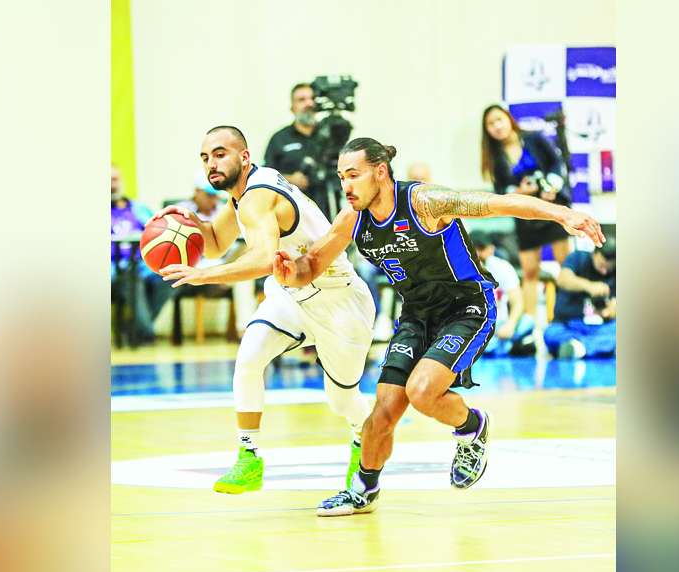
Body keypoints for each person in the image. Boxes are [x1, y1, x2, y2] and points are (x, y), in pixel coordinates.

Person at [272, 137, 604, 516]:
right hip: (416, 314)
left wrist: (562, 213)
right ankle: (363, 490)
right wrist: (289, 272)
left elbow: (499, 203)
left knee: (422, 391)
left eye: (353, 175)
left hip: (467, 308)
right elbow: (312, 264)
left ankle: (472, 426)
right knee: (382, 412)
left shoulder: (424, 202)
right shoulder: (352, 218)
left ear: (380, 172)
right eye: (341, 176)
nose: (345, 186)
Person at [153, 126, 376, 493]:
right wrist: (188, 224)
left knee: (341, 400)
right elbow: (214, 244)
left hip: (338, 298)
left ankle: (363, 440)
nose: (212, 163)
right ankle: (248, 457)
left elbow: (260, 259)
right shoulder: (242, 194)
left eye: (220, 153)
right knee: (249, 358)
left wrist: (202, 276)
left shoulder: (258, 196)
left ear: (244, 157)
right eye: (206, 157)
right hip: (291, 294)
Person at [480, 104, 572, 325]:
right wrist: (519, 192)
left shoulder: (534, 138)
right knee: (530, 271)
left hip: (551, 207)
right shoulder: (494, 156)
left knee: (566, 265)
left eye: (499, 120)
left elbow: (557, 163)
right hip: (524, 215)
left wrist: (552, 185)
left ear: (509, 119)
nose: (496, 127)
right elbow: (500, 190)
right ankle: (529, 325)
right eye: (490, 124)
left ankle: (564, 317)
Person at [111, 165, 172, 343]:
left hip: (144, 265)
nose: (112, 185)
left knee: (172, 276)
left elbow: (160, 231)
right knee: (131, 278)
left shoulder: (138, 209)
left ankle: (135, 326)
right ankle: (145, 332)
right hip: (116, 269)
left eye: (115, 180)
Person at [264, 83, 331, 218]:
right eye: (302, 100)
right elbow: (265, 176)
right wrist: (289, 179)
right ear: (292, 108)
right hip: (293, 215)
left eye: (312, 98)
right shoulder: (279, 138)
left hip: (329, 210)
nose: (309, 103)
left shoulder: (330, 136)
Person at [543, 237, 617, 359]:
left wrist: (611, 311)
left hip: (598, 328)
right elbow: (562, 279)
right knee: (550, 333)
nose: (604, 272)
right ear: (594, 254)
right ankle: (595, 348)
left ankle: (579, 348)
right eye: (602, 265)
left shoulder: (615, 273)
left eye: (608, 268)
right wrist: (589, 286)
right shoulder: (577, 258)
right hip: (568, 325)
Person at [472, 233, 535, 356]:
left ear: (491, 249)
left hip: (501, 325)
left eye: (482, 248)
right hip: (475, 327)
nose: (479, 253)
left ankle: (501, 347)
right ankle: (510, 347)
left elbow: (517, 302)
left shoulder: (502, 267)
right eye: (475, 249)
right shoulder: (460, 271)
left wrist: (510, 324)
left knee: (528, 321)